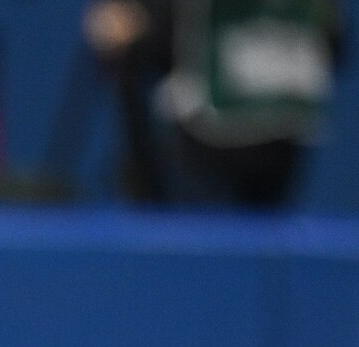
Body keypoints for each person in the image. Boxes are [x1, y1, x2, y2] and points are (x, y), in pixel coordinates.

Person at [84, 0, 345, 206]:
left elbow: (142, 34)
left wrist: (132, 23)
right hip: (275, 137)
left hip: (216, 137)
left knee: (202, 244)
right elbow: (333, 38)